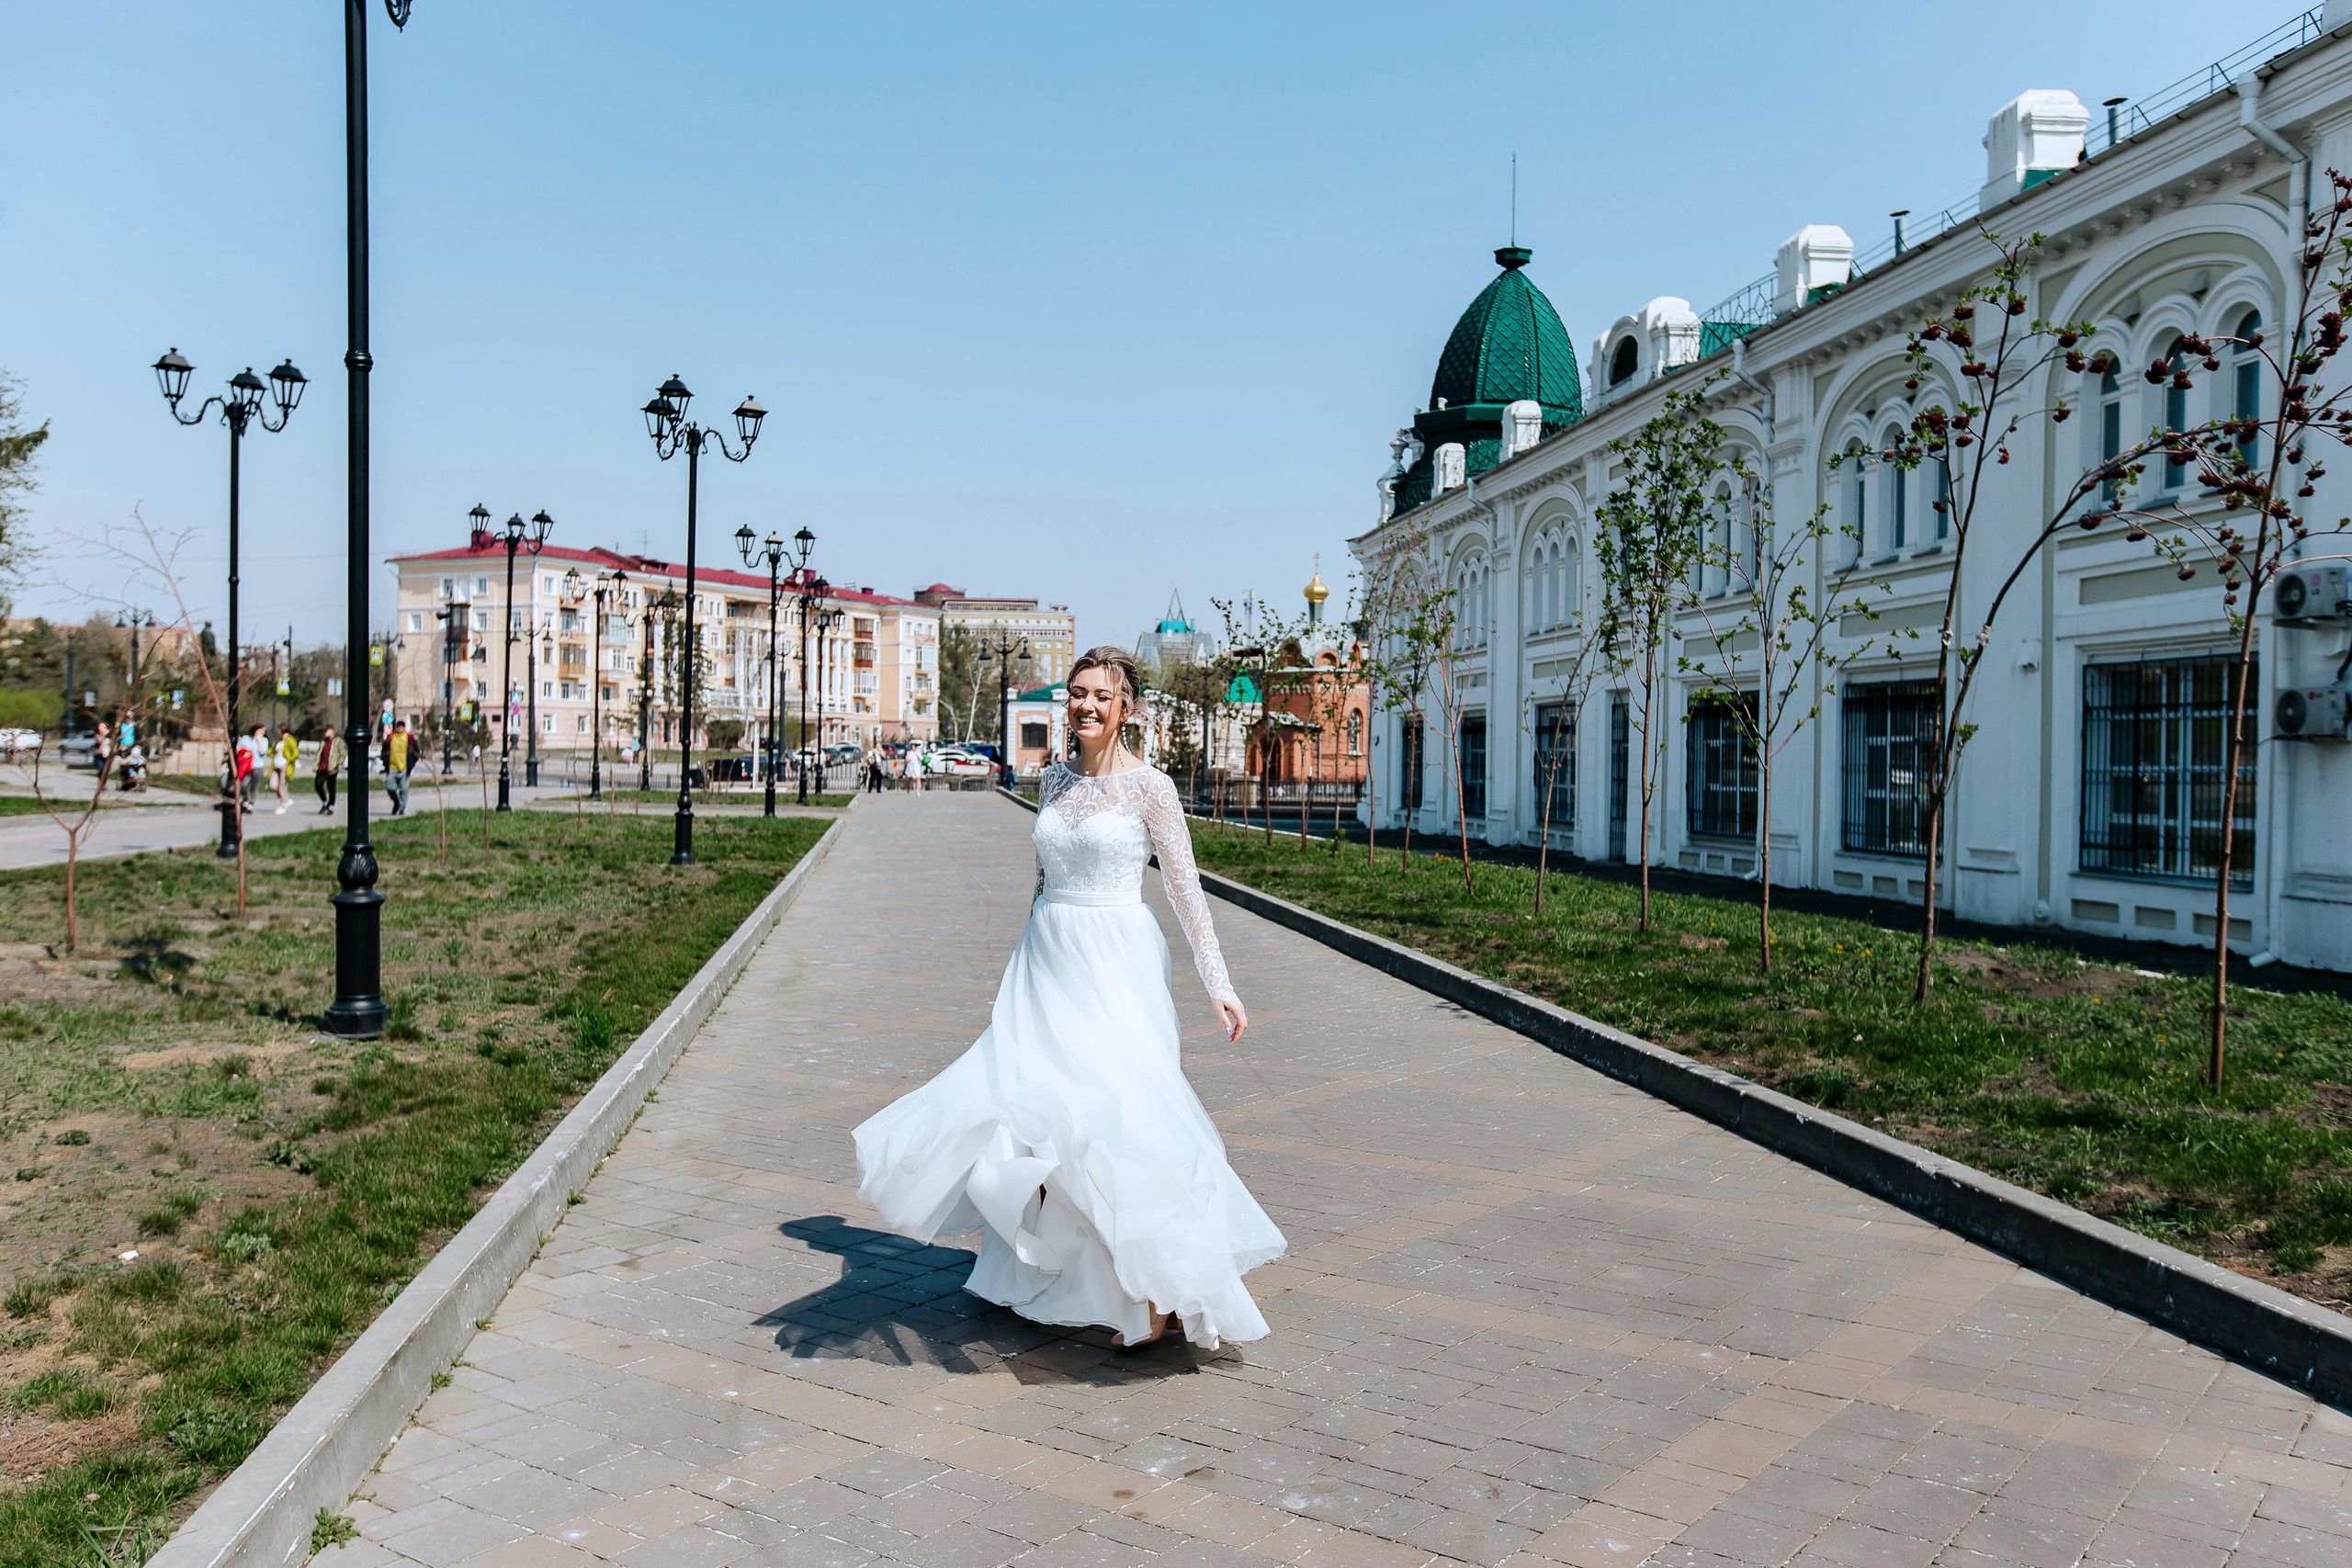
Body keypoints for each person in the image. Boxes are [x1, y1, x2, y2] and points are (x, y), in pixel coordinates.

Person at [854, 646, 1283, 1351]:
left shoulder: (1152, 789)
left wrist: (1221, 986)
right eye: (1077, 693)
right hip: (1046, 960)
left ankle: (1155, 1290)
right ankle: (1053, 1275)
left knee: (1120, 1120)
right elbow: (1042, 877)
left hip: (1117, 963)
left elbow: (1185, 892)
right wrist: (1017, 971)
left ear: (1128, 707)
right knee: (1036, 1118)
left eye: (1101, 696)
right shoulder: (1052, 778)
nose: (1085, 705)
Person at [381, 719, 413, 816]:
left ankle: (401, 808)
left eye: (401, 727)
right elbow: (384, 751)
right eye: (398, 727)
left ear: (404, 728)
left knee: (404, 789)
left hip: (404, 768)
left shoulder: (409, 738)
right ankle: (397, 802)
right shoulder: (391, 737)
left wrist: (410, 765)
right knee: (389, 787)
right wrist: (385, 762)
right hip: (392, 767)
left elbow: (415, 751)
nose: (399, 729)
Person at [315, 726, 345, 814]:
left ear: (332, 731)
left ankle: (331, 806)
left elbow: (343, 754)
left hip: (332, 768)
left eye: (326, 731)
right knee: (318, 785)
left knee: (331, 787)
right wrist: (317, 764)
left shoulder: (338, 741)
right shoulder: (323, 742)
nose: (325, 733)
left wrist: (338, 763)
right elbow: (319, 753)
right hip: (322, 767)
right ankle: (325, 802)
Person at [272, 728, 298, 814]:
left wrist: (287, 762)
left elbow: (296, 753)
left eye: (278, 729)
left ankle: (283, 806)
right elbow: (273, 750)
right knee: (273, 785)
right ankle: (286, 800)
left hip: (284, 767)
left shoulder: (290, 740)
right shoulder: (279, 740)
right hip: (276, 766)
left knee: (281, 787)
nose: (277, 731)